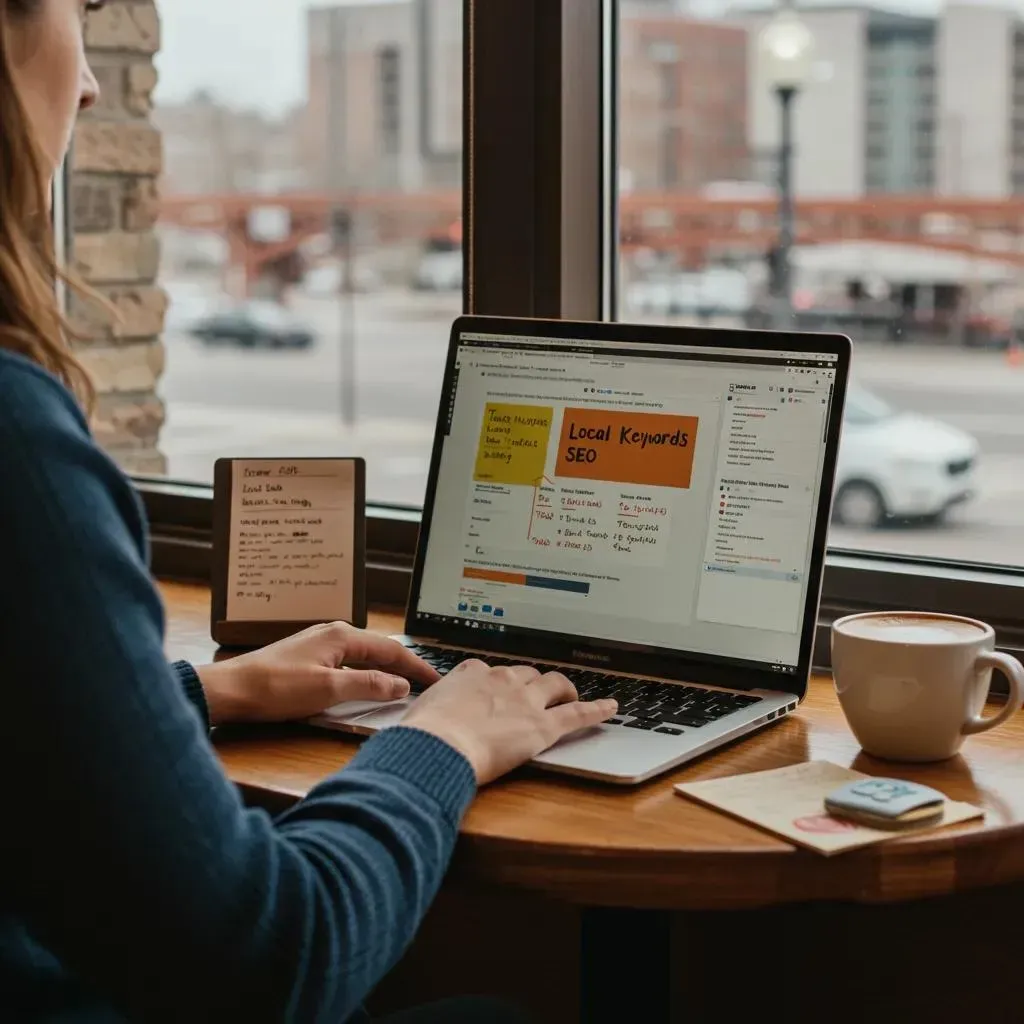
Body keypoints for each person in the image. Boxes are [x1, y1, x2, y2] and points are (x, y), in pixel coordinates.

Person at [0, 2, 619, 1021]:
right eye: (76, 10)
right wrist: (441, 737)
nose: (89, 83)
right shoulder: (15, 443)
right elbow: (274, 959)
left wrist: (199, 692)